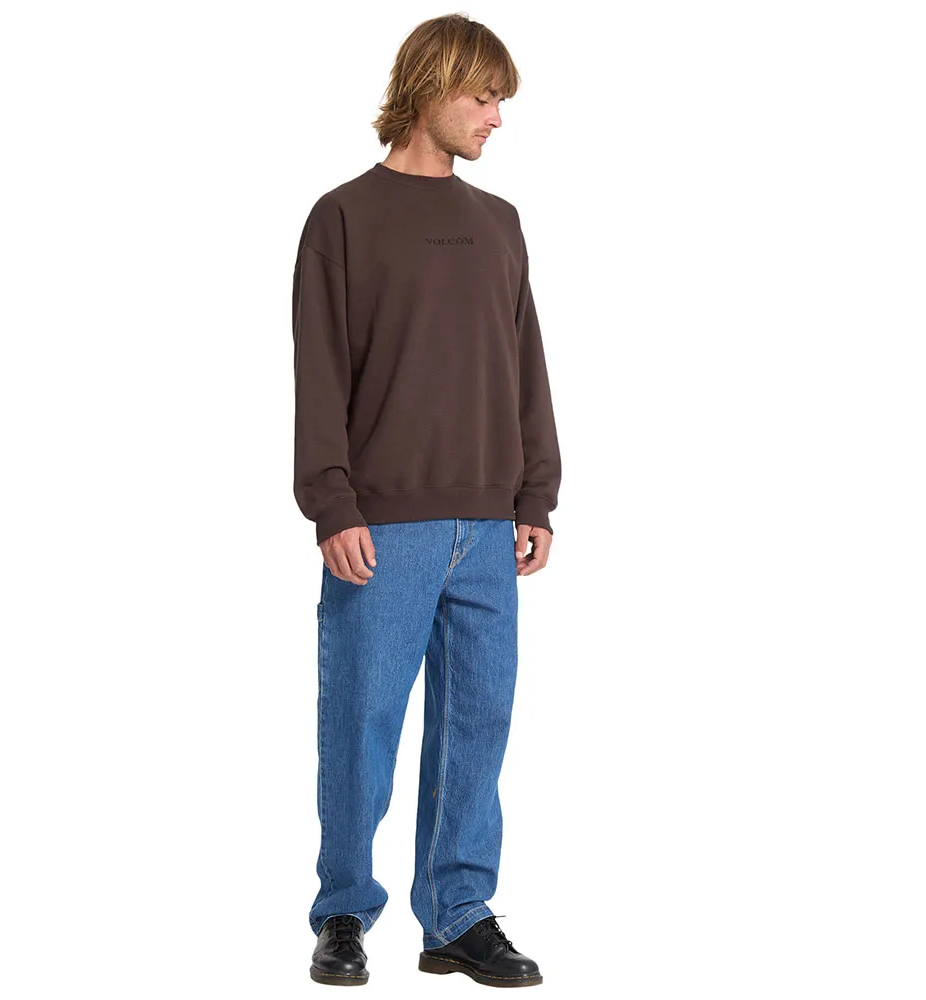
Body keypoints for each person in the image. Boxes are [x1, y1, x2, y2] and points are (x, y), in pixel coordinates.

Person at [291, 13, 561, 989]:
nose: (497, 118)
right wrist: (332, 503)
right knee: (360, 727)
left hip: (489, 524)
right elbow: (320, 372)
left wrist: (536, 493)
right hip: (381, 525)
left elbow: (524, 362)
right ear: (434, 86)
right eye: (483, 97)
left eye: (500, 101)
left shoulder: (500, 223)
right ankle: (343, 910)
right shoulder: (343, 218)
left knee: (475, 731)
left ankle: (457, 915)